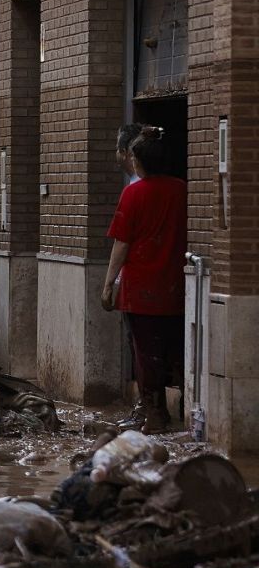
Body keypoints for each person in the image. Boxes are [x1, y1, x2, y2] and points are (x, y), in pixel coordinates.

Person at [101, 126, 187, 433]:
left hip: (140, 288)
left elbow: (121, 243)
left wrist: (109, 283)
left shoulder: (133, 193)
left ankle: (155, 413)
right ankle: (176, 409)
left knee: (144, 353)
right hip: (176, 285)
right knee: (173, 349)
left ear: (138, 160)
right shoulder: (182, 190)